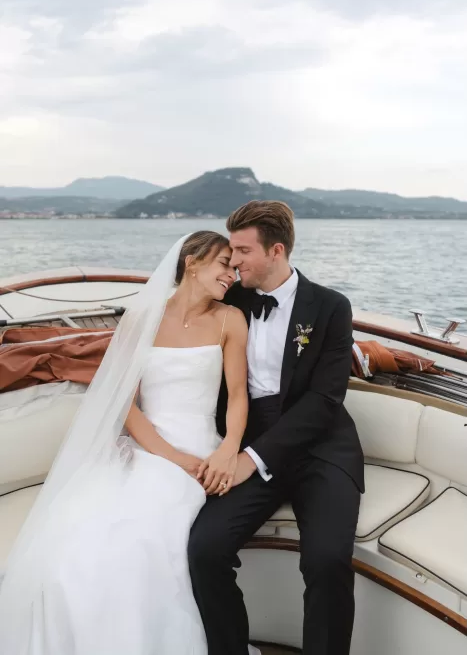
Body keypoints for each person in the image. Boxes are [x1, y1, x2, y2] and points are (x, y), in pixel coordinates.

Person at [0, 231, 249, 655]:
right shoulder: (141, 318)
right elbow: (127, 407)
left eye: (234, 265)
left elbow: (238, 397)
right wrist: (170, 456)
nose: (233, 273)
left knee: (143, 541)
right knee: (75, 553)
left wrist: (226, 452)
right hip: (149, 447)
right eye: (224, 263)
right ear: (192, 262)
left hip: (201, 447)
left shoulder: (230, 320)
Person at [189, 201, 365, 655]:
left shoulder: (329, 307)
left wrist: (250, 458)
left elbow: (325, 401)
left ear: (276, 251)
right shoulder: (232, 300)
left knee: (326, 561)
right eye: (231, 250)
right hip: (249, 436)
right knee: (205, 549)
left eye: (243, 250)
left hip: (320, 444)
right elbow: (181, 317)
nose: (234, 260)